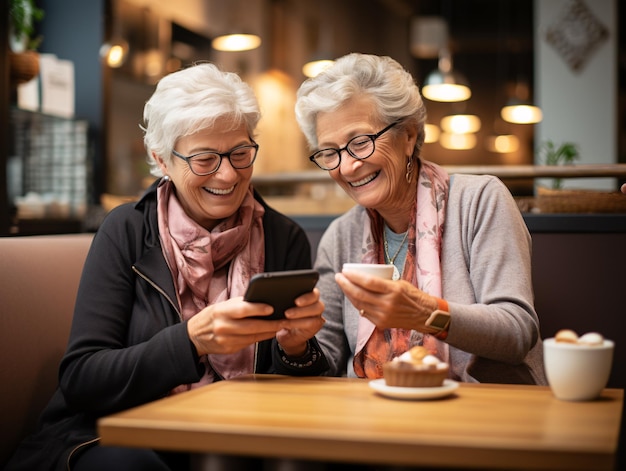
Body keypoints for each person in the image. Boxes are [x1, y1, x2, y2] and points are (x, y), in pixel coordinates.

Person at [5, 62, 329, 471]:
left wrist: (296, 347)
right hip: (118, 434)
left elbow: (301, 396)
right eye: (205, 159)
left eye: (240, 153)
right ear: (161, 159)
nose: (228, 174)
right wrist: (191, 341)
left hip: (245, 433)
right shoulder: (126, 231)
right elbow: (83, 378)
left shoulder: (284, 238)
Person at [294, 53, 547, 385]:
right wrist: (296, 345)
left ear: (409, 136)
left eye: (360, 142)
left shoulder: (479, 200)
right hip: (371, 419)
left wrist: (427, 314)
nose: (346, 166)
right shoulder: (341, 236)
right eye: (330, 152)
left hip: (478, 414)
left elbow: (517, 331)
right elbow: (326, 359)